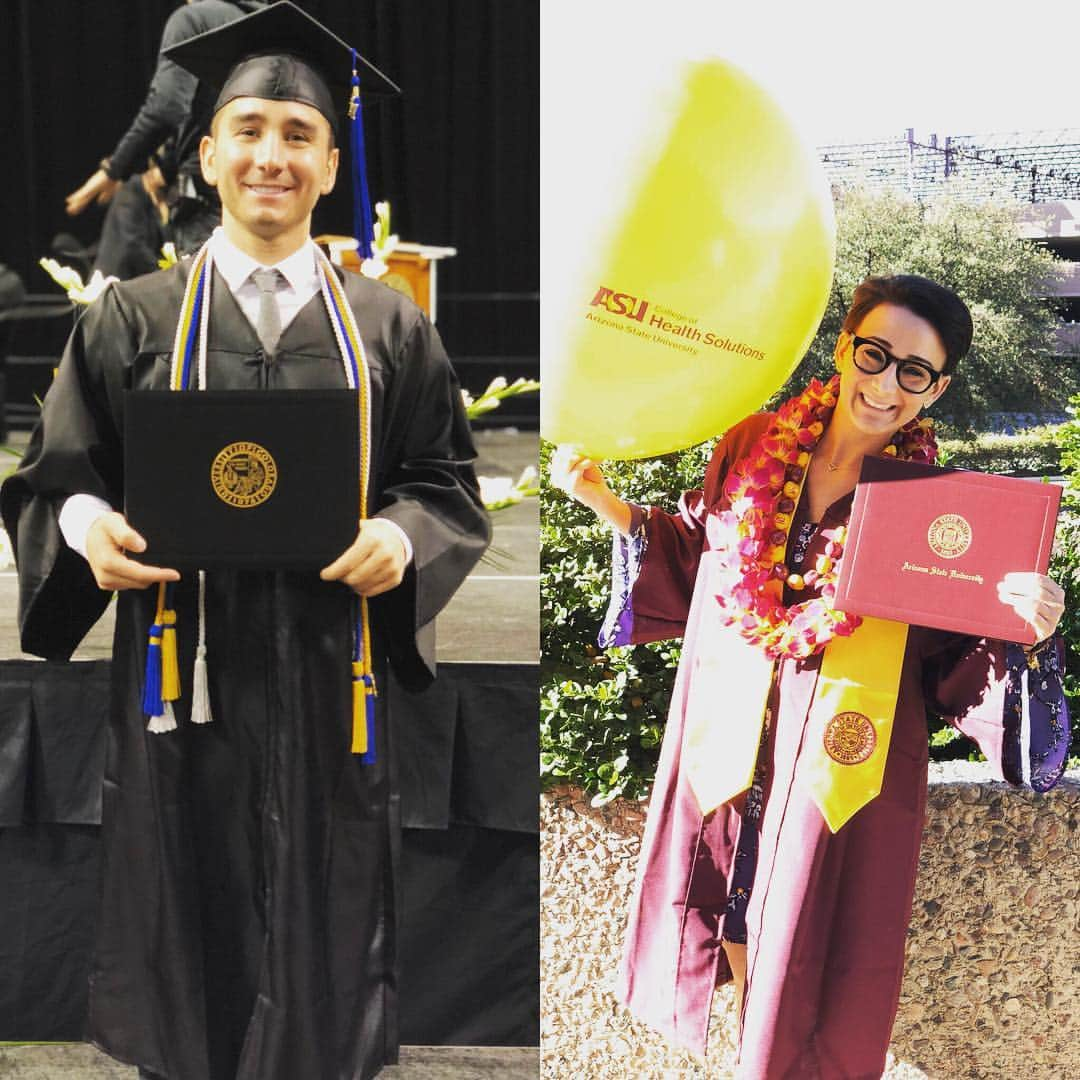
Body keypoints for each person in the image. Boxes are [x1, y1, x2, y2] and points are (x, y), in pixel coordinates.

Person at [2, 3, 489, 1079]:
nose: (273, 154)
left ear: (327, 166)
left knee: (325, 916)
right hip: (186, 677)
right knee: (189, 912)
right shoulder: (129, 318)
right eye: (251, 129)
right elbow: (57, 481)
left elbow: (443, 483)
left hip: (330, 676)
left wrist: (404, 540)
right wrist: (89, 531)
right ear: (206, 154)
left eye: (298, 135)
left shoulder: (389, 327)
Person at [551, 274, 1070, 1078]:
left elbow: (963, 660)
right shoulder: (754, 445)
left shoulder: (937, 515)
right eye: (876, 354)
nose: (886, 384)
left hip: (832, 769)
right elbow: (701, 556)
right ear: (844, 346)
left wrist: (1029, 635)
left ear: (940, 388)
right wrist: (604, 502)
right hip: (731, 748)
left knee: (799, 947)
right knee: (725, 924)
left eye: (915, 372)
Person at [65, 1, 265, 258]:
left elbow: (166, 109)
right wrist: (166, 165)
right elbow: (210, 110)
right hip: (263, 188)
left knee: (202, 293)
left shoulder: (193, 18)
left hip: (208, 191)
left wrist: (115, 169)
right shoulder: (269, 24)